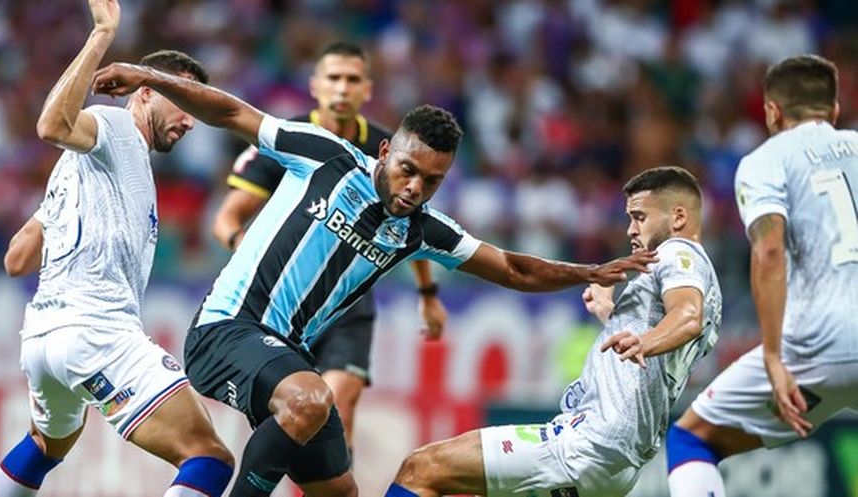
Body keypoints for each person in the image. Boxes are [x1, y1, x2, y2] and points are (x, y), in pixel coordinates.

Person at [91, 61, 656, 497]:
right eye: (408, 170)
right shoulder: (326, 157)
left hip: (286, 355)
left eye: (431, 181)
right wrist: (148, 75)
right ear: (384, 152)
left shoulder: (422, 230)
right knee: (310, 399)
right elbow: (232, 112)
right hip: (226, 330)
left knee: (340, 490)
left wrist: (588, 271)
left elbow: (511, 267)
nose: (414, 189)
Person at [0, 2, 234, 497]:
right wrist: (102, 33)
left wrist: (58, 215)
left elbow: (17, 258)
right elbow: (52, 127)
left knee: (46, 443)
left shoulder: (82, 172)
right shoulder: (115, 129)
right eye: (181, 101)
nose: (189, 121)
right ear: (146, 91)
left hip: (42, 339)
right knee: (209, 457)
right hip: (95, 330)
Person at [383, 166, 722, 497]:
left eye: (640, 217)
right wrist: (610, 314)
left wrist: (645, 342)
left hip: (589, 444)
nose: (631, 230)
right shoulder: (704, 285)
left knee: (421, 469)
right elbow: (664, 341)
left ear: (678, 217)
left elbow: (687, 316)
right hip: (615, 461)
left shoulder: (678, 253)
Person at [212, 41, 447, 456]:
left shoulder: (393, 149)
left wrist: (427, 294)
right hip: (282, 299)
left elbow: (414, 225)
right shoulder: (287, 138)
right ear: (315, 85)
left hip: (346, 303)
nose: (342, 88)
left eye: (352, 79)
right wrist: (250, 255)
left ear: (367, 89)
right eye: (333, 78)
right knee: (296, 415)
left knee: (339, 407)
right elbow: (227, 219)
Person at [666, 54, 858, 497]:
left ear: (772, 112)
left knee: (691, 438)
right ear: (834, 110)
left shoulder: (765, 160)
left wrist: (773, 356)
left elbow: (770, 250)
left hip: (815, 347)